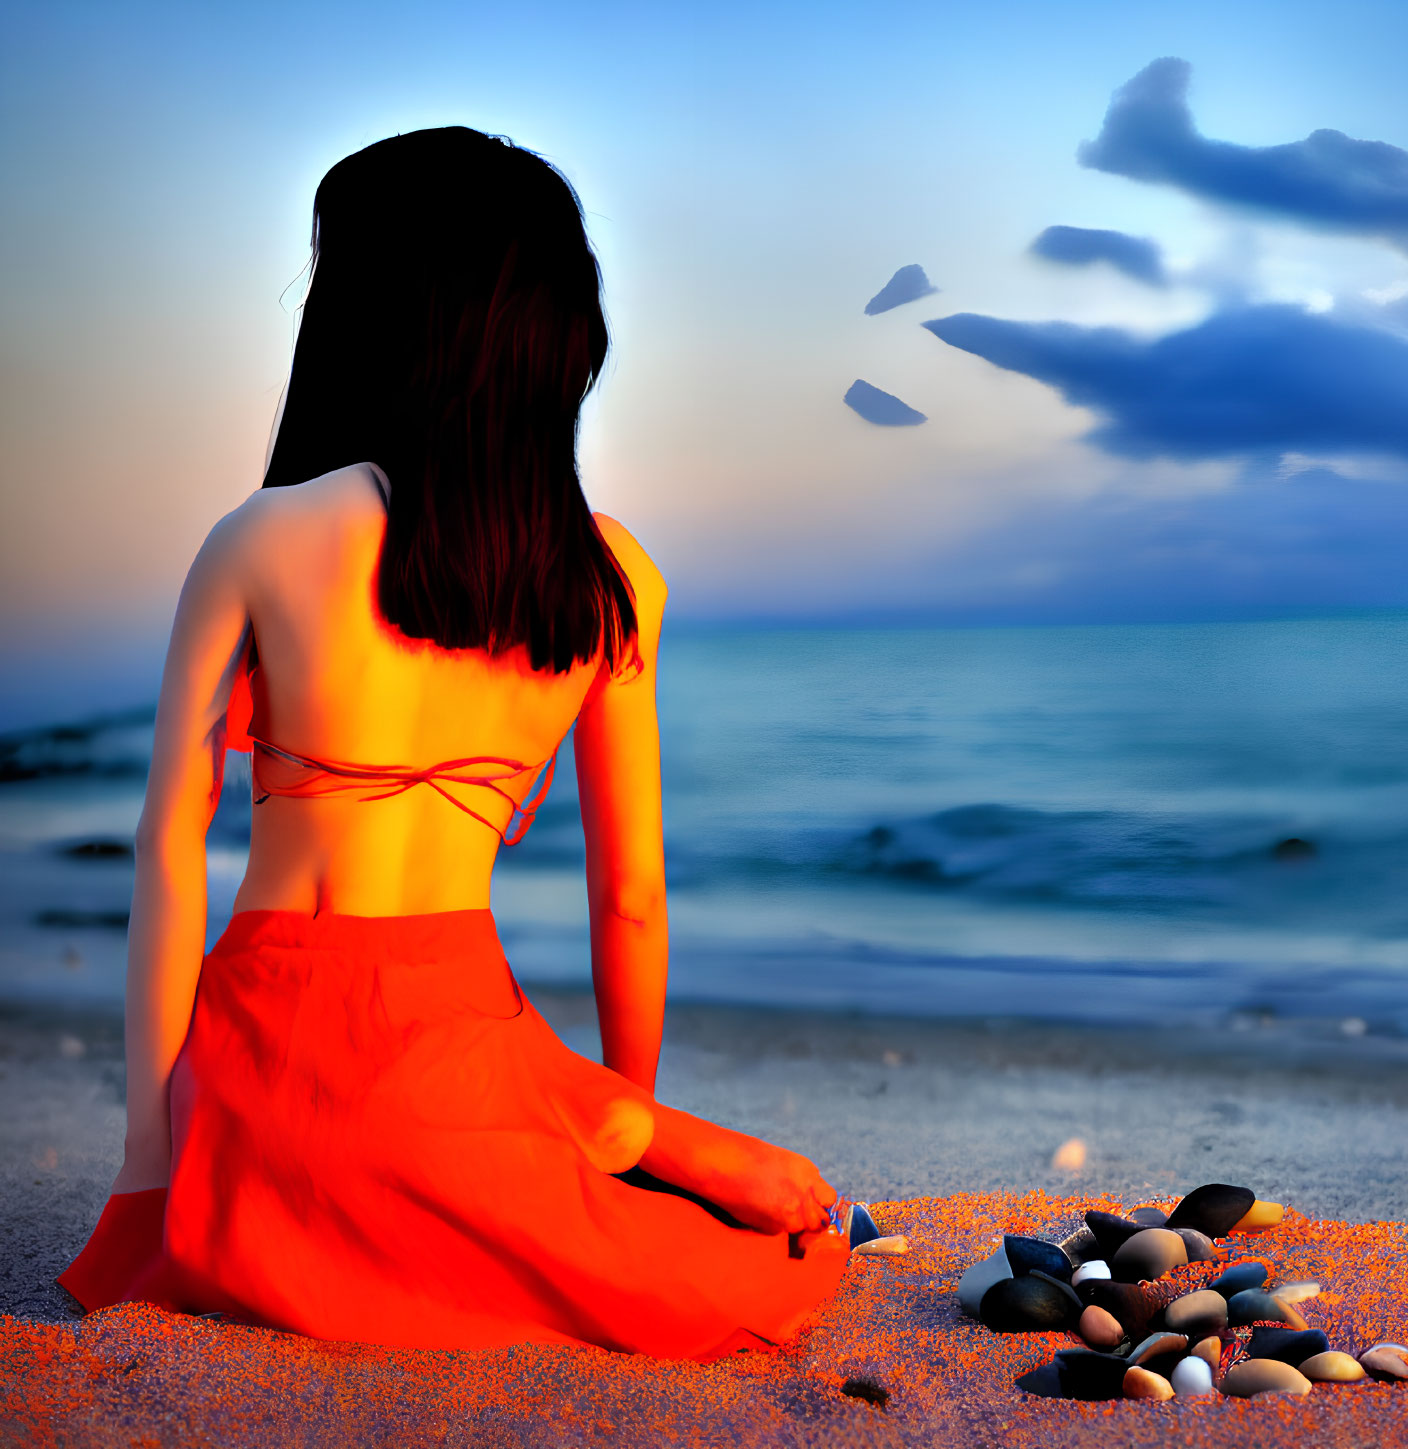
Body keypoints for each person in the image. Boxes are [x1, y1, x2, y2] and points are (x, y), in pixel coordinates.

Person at [55, 126, 851, 1359]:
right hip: (462, 1038)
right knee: (727, 1274)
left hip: (274, 1046)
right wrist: (631, 1114)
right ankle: (620, 1129)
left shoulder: (264, 536)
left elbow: (169, 854)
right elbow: (630, 897)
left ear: (374, 312)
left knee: (376, 1169)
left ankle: (592, 1128)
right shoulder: (612, 579)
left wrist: (151, 1173)